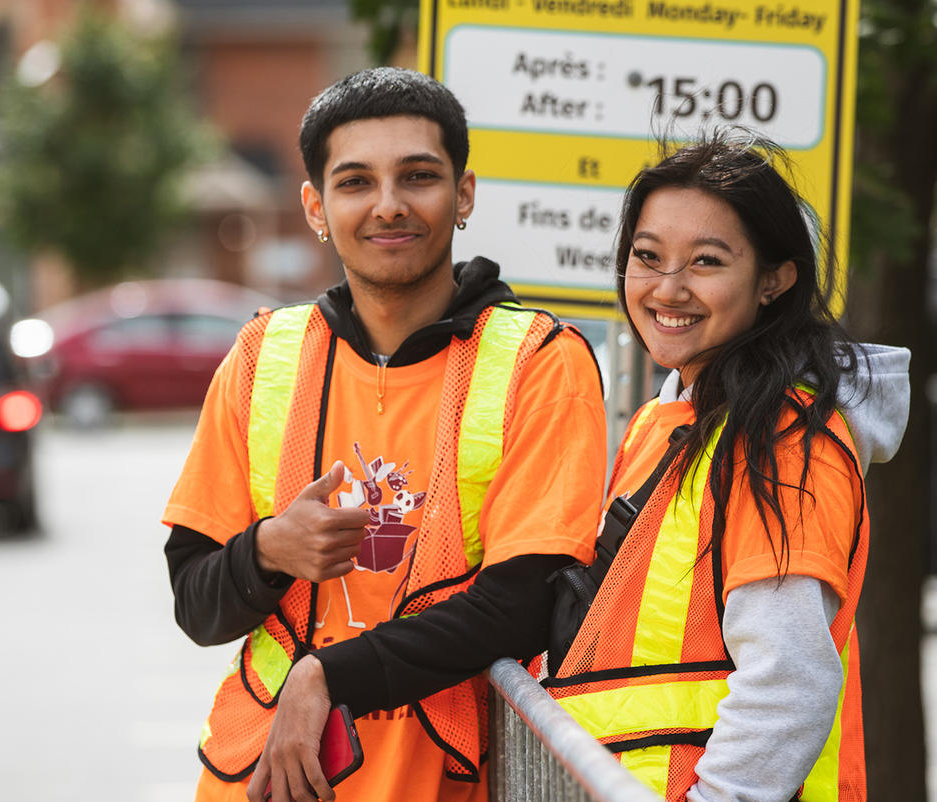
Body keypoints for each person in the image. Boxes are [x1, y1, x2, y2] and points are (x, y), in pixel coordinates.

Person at [161, 67, 606, 802]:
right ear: (315, 206)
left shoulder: (540, 362)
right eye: (356, 182)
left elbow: (524, 599)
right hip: (265, 776)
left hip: (445, 782)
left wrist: (330, 676)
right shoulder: (261, 355)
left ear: (463, 195)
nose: (389, 206)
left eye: (419, 177)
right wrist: (270, 550)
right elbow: (195, 602)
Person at [540, 132, 909, 802]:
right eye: (647, 258)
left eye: (706, 262)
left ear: (775, 280)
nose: (668, 289)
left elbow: (788, 679)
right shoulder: (673, 417)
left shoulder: (787, 439)